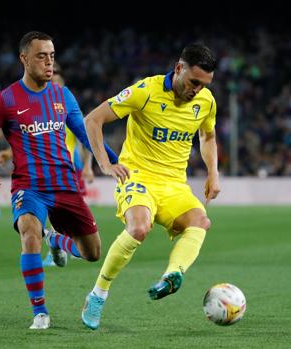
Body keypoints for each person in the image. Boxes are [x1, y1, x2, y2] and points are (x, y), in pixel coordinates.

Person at [0, 31, 118, 330]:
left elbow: (84, 133)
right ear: (24, 59)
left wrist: (116, 161)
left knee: (92, 253)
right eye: (41, 56)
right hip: (30, 187)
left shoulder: (63, 95)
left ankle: (55, 239)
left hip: (65, 184)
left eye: (52, 56)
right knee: (29, 232)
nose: (49, 62)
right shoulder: (6, 99)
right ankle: (40, 312)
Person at [81, 43, 220, 330]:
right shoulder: (145, 91)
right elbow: (92, 120)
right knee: (139, 228)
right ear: (179, 68)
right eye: (194, 82)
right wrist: (105, 164)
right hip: (138, 178)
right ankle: (98, 294)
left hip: (173, 185)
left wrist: (212, 173)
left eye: (205, 84)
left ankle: (172, 275)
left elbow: (207, 137)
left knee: (200, 221)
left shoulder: (206, 101)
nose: (198, 90)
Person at [0, 63, 95, 268]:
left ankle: (56, 241)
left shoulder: (67, 104)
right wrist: (7, 152)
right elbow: (30, 140)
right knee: (38, 216)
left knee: (81, 237)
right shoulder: (37, 106)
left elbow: (86, 140)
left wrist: (88, 166)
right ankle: (53, 245)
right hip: (39, 171)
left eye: (57, 75)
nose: (52, 78)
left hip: (68, 168)